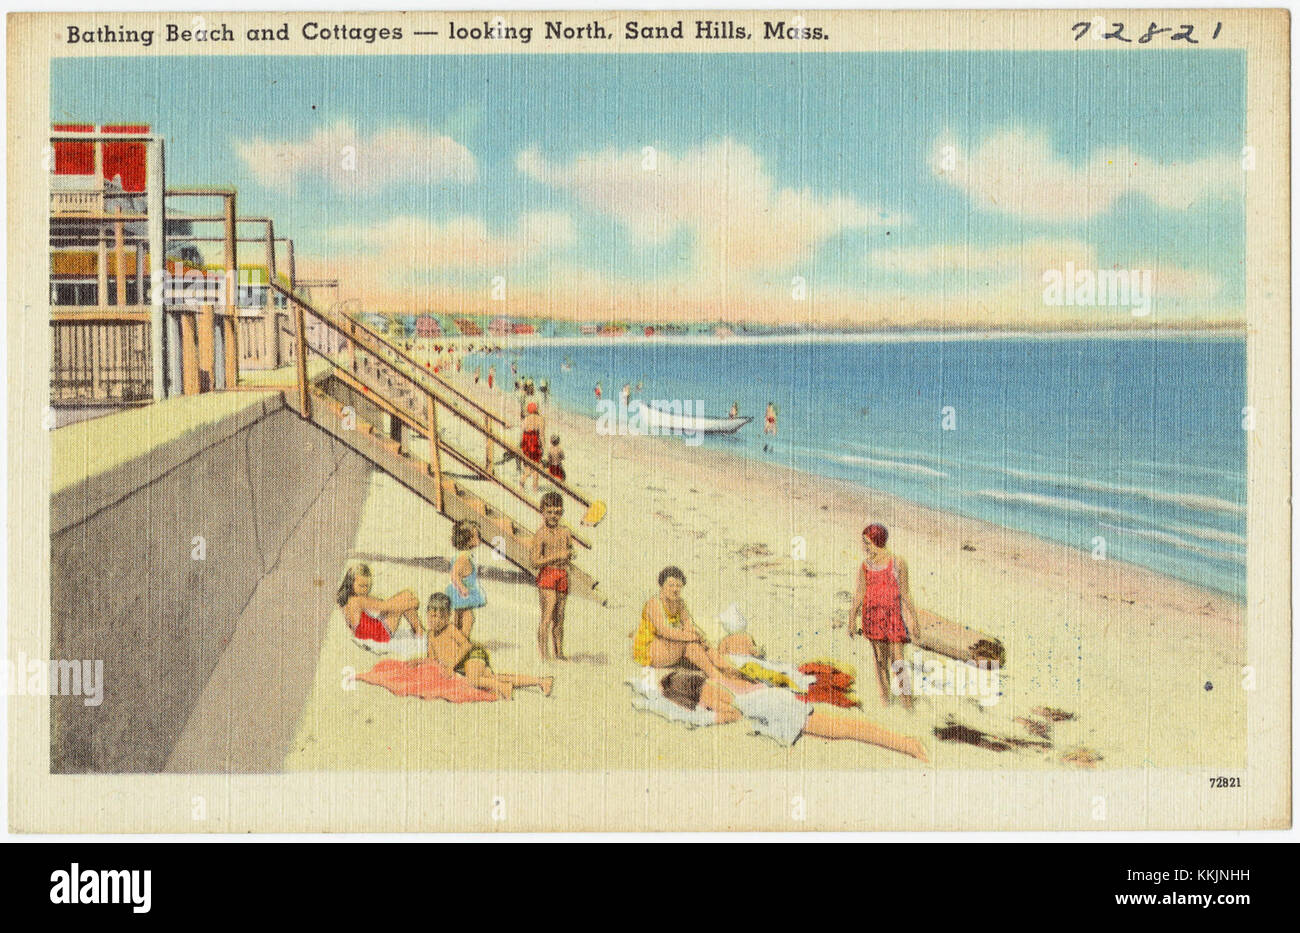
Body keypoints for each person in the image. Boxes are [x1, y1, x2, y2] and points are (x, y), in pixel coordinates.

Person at [659, 669, 928, 762]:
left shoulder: (707, 699)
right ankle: (906, 743)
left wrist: (707, 716)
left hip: (778, 710)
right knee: (846, 726)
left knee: (845, 729)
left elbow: (731, 715)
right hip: (774, 701)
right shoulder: (713, 683)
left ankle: (907, 745)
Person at [423, 592, 553, 700]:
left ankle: (503, 688)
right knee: (492, 678)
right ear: (427, 614)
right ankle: (541, 681)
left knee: (474, 680)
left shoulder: (450, 629)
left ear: (448, 617)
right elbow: (432, 659)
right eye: (433, 616)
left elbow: (466, 645)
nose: (437, 621)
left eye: (442, 617)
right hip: (462, 665)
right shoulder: (430, 635)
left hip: (471, 656)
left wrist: (451, 665)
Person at [847, 523, 918, 709]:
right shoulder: (865, 566)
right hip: (872, 617)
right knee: (880, 661)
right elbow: (859, 593)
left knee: (898, 662)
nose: (865, 547)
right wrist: (851, 619)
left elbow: (905, 593)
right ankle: (885, 701)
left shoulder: (897, 562)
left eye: (867, 543)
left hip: (893, 618)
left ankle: (907, 703)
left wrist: (914, 620)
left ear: (878, 542)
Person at [632, 567, 733, 679]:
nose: (675, 589)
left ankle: (727, 669)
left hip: (669, 646)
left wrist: (700, 637)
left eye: (678, 586)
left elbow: (689, 625)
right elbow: (665, 632)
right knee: (689, 642)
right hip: (650, 649)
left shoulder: (680, 603)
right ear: (662, 586)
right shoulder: (654, 603)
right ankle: (715, 674)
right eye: (671, 585)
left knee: (695, 643)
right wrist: (693, 637)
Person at [530, 491, 573, 660]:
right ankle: (544, 655)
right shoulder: (540, 534)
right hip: (547, 574)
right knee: (547, 616)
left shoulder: (566, 532)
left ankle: (559, 653)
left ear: (561, 512)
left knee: (560, 617)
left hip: (562, 574)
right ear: (542, 512)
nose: (553, 516)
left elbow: (569, 551)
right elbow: (534, 561)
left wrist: (569, 554)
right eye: (550, 512)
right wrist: (557, 556)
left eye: (557, 512)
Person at [337, 564, 422, 643]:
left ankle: (418, 631)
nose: (364, 590)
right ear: (350, 584)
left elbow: (383, 604)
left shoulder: (350, 599)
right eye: (361, 586)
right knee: (405, 597)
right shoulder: (358, 600)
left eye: (367, 586)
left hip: (369, 632)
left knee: (405, 596)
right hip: (378, 634)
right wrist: (412, 603)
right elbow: (385, 606)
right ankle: (419, 632)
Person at [446, 521, 487, 636]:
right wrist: (462, 588)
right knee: (468, 618)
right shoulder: (463, 557)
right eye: (476, 536)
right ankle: (463, 641)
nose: (479, 538)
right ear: (467, 539)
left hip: (460, 591)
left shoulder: (465, 555)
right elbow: (454, 574)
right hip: (463, 592)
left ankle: (456, 640)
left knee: (458, 618)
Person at [519, 400, 545, 491]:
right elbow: (541, 435)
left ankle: (522, 482)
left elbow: (522, 432)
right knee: (536, 466)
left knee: (527, 466)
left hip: (526, 444)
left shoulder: (525, 419)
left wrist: (521, 445)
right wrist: (543, 447)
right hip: (534, 444)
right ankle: (535, 487)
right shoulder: (540, 419)